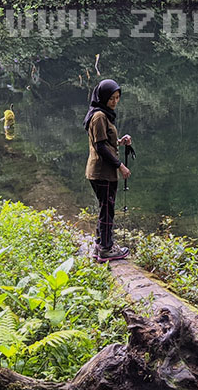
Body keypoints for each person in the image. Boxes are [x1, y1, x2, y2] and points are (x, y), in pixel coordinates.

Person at [83, 78, 132, 262]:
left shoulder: (103, 114)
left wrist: (121, 142)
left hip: (103, 171)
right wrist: (120, 166)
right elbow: (101, 147)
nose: (114, 101)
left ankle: (100, 244)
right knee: (107, 209)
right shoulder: (99, 117)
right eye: (111, 98)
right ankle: (106, 249)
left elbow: (107, 142)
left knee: (106, 207)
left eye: (117, 97)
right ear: (103, 97)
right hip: (101, 171)